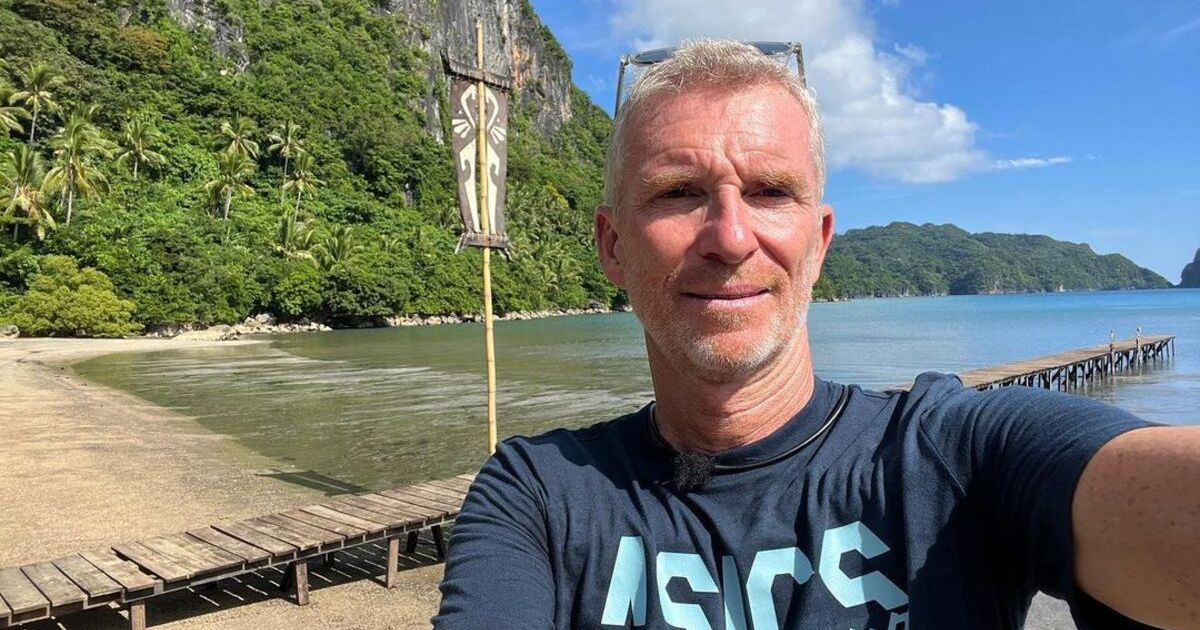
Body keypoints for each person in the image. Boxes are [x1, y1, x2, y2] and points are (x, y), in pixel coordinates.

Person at [433, 40, 1199, 629]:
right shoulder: (540, 497)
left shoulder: (952, 458)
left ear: (819, 241)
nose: (730, 238)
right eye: (678, 193)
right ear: (612, 246)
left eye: (770, 191)